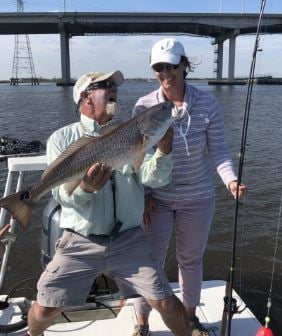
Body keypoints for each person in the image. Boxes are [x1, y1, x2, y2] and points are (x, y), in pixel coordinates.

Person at [25, 70, 191, 336]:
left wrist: (164, 151)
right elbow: (61, 196)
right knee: (45, 308)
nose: (114, 88)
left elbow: (151, 178)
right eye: (105, 85)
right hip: (79, 240)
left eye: (115, 86)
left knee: (165, 302)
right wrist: (85, 189)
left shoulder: (130, 132)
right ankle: (31, 334)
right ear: (85, 97)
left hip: (129, 239)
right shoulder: (61, 139)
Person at [132, 38, 246, 336]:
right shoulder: (144, 106)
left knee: (191, 261)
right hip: (157, 198)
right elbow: (136, 158)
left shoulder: (207, 103)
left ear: (184, 64)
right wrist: (143, 195)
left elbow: (219, 151)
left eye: (171, 65)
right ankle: (141, 322)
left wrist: (230, 181)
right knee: (149, 263)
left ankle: (190, 318)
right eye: (159, 67)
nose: (165, 72)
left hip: (198, 198)